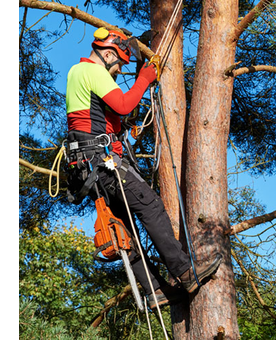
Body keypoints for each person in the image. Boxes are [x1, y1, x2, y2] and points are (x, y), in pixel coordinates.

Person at [65, 27, 221, 308]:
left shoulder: (78, 75)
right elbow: (124, 104)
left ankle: (155, 290)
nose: (117, 71)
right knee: (150, 206)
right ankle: (186, 272)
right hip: (103, 163)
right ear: (109, 53)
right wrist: (146, 77)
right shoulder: (91, 71)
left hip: (89, 168)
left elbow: (114, 112)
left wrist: (140, 78)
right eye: (119, 64)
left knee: (126, 231)